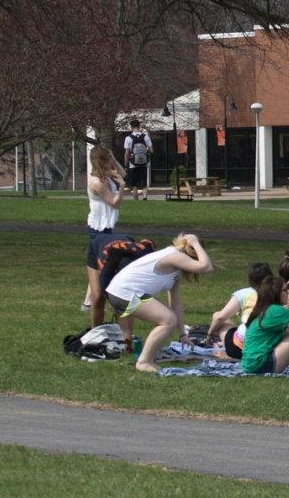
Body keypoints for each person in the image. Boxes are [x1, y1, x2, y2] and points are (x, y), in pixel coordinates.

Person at [103, 233, 217, 373]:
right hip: (124, 292)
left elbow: (175, 303)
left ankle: (149, 357)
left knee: (168, 317)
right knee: (167, 320)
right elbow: (206, 267)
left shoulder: (175, 269)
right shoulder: (175, 256)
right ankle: (144, 362)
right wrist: (195, 242)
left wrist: (182, 334)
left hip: (122, 292)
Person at [83, 145, 126, 326]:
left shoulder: (105, 176)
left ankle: (88, 301)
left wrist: (114, 159)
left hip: (106, 227)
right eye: (108, 158)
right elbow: (114, 203)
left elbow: (122, 173)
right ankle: (91, 300)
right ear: (101, 161)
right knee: (101, 266)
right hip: (99, 229)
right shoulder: (98, 182)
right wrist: (122, 187)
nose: (112, 162)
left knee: (99, 266)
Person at [124, 123, 153, 191]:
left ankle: (135, 200)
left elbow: (126, 153)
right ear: (139, 127)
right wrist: (146, 155)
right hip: (144, 163)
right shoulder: (146, 137)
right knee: (144, 184)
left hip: (133, 164)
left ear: (131, 127)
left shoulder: (128, 138)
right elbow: (151, 150)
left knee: (134, 185)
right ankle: (145, 197)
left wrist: (126, 166)